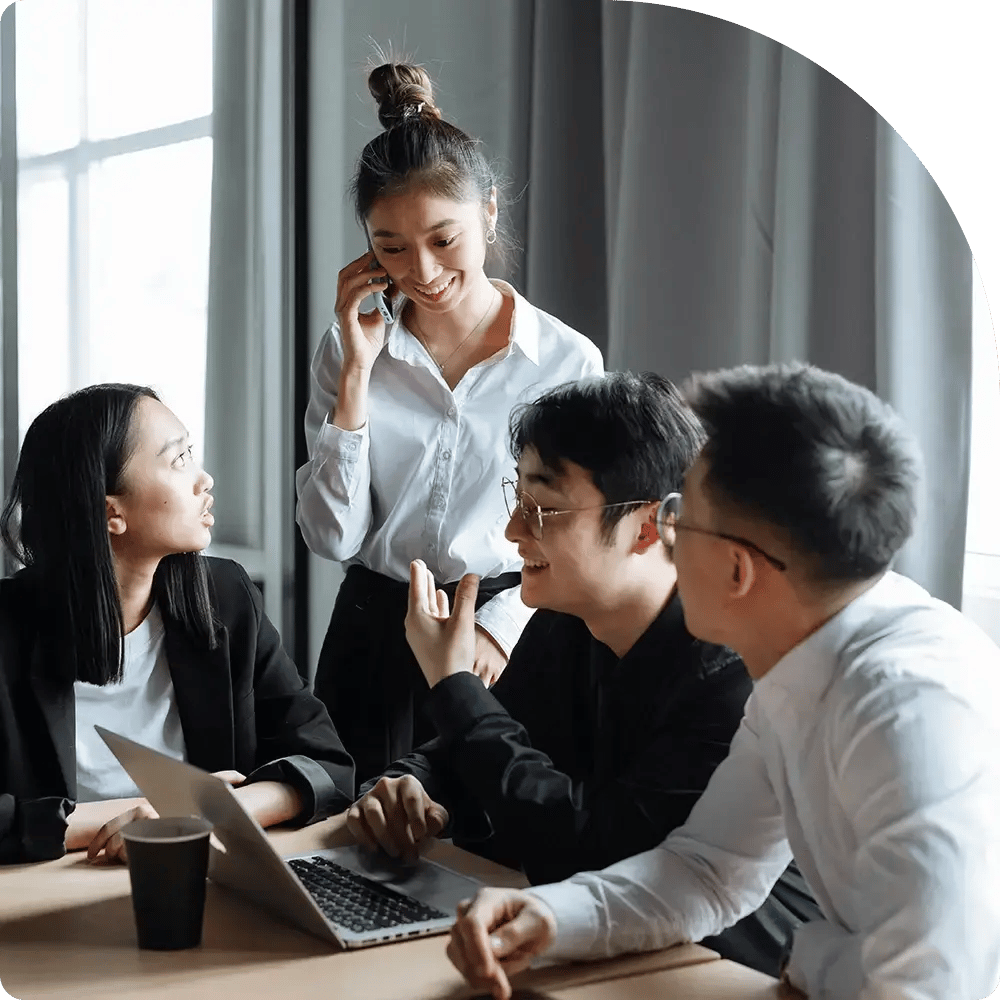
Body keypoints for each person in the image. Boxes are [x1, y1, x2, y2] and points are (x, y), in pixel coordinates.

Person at [444, 362, 1000, 1000]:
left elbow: (926, 987)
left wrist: (816, 964)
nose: (664, 535)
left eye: (682, 517)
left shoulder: (909, 715)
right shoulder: (796, 656)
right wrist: (554, 916)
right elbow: (709, 870)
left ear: (738, 569)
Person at [346, 372, 821, 977]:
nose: (515, 531)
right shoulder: (569, 620)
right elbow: (497, 751)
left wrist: (454, 684)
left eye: (543, 508)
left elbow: (596, 853)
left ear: (647, 527)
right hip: (606, 956)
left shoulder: (729, 672)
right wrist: (413, 784)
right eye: (515, 500)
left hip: (731, 970)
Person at [295, 60, 603, 785]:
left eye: (443, 238)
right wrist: (357, 376)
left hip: (505, 633)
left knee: (488, 842)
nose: (421, 272)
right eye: (389, 246)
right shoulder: (350, 346)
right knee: (350, 840)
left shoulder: (564, 361)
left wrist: (499, 630)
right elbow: (330, 535)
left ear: (490, 211)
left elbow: (575, 527)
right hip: (374, 632)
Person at [0, 384, 355, 866]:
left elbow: (328, 766)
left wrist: (210, 811)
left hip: (195, 881)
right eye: (179, 459)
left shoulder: (226, 599)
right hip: (45, 900)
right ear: (111, 512)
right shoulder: (7, 631)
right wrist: (126, 816)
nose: (204, 479)